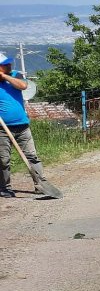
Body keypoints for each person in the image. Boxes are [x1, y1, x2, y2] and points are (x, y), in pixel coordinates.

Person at [0, 53, 45, 197]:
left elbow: (23, 86)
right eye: (5, 64)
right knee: (3, 160)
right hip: (2, 129)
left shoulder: (15, 75)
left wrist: (5, 77)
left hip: (22, 126)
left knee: (32, 156)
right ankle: (5, 188)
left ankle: (40, 184)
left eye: (8, 63)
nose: (9, 66)